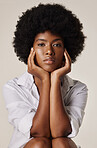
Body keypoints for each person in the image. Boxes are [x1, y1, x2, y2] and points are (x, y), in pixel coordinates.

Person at [3, 3, 88, 148]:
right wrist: (45, 79)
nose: (49, 51)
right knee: (40, 143)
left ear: (66, 51)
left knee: (61, 142)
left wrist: (54, 80)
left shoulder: (78, 89)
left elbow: (59, 131)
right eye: (41, 45)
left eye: (56, 45)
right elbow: (39, 132)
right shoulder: (13, 87)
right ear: (30, 50)